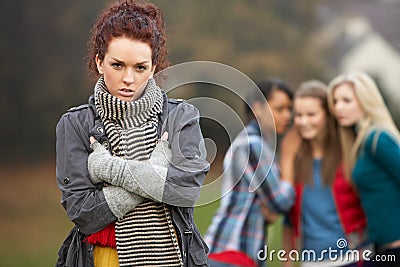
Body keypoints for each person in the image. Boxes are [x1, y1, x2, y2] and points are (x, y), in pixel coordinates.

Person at [55, 1, 210, 266]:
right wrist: (156, 170)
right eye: (117, 65)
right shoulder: (75, 124)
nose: (128, 78)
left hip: (173, 258)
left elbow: (185, 191)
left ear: (153, 68)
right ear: (99, 62)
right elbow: (83, 211)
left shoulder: (180, 117)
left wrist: (108, 168)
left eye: (139, 67)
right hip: (104, 259)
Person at [204, 78, 296, 267]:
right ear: (257, 108)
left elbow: (270, 209)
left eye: (289, 109)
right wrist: (289, 160)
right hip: (231, 251)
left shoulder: (262, 145)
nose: (287, 116)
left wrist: (270, 207)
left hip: (239, 253)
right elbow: (280, 202)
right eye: (279, 109)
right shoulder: (253, 145)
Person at [282, 80, 373, 267]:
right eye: (298, 115)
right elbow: (288, 218)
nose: (303, 121)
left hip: (353, 259)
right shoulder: (294, 158)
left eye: (311, 114)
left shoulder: (349, 154)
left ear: (328, 115)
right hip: (311, 262)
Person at [327, 71, 400, 266]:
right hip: (381, 249)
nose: (338, 107)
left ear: (365, 101)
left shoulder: (377, 139)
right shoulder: (360, 143)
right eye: (335, 101)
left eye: (346, 100)